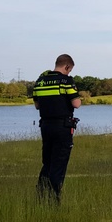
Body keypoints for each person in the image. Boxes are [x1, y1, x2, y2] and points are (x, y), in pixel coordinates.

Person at [32, 54, 81, 204]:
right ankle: (54, 201)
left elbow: (37, 105)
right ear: (67, 66)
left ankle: (41, 196)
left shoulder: (40, 81)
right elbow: (76, 104)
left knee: (47, 162)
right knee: (59, 164)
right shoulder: (66, 81)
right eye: (70, 70)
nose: (69, 73)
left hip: (45, 126)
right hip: (62, 127)